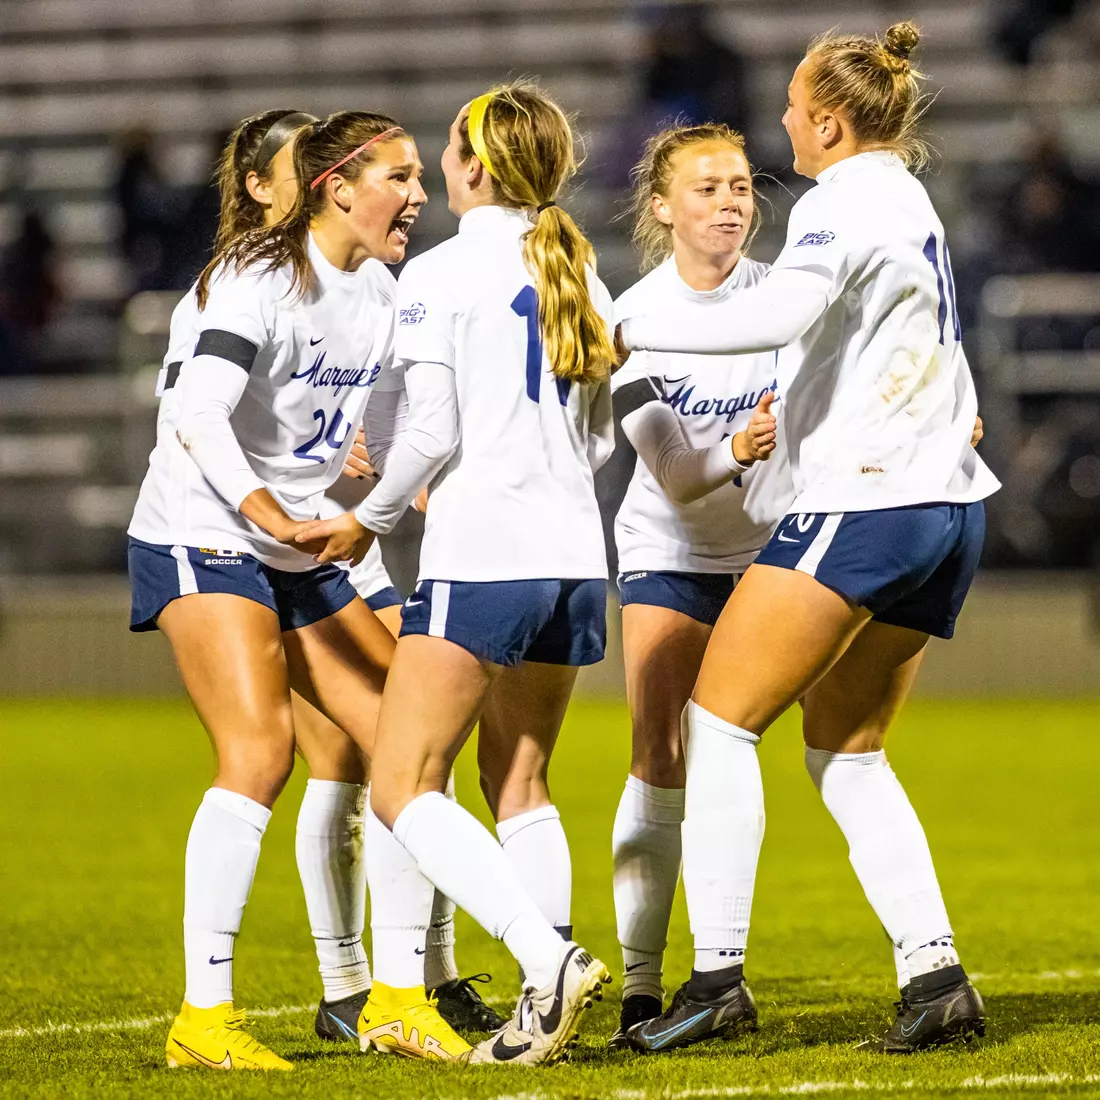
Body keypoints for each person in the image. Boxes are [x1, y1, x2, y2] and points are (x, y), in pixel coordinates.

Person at [619, 22, 1000, 1054]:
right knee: (845, 746)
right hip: (946, 506)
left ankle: (716, 978)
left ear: (827, 123)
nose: (783, 120)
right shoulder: (907, 197)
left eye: (793, 107)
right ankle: (933, 976)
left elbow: (777, 313)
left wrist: (621, 329)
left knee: (718, 721)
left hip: (868, 500)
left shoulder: (843, 199)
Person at [126, 110, 456, 1071]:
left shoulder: (384, 288)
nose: (419, 192)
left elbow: (389, 415)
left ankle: (394, 996)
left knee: (406, 738)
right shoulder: (254, 278)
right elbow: (197, 412)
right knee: (261, 748)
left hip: (300, 543)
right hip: (207, 530)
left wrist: (394, 474)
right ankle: (206, 1018)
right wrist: (266, 507)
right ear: (336, 187)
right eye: (400, 174)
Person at [296, 82, 615, 1066]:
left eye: (445, 149)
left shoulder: (437, 274)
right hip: (573, 558)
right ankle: (540, 1009)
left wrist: (369, 516)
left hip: (486, 555)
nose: (438, 165)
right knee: (519, 781)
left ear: (476, 165)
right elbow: (598, 440)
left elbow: (429, 430)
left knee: (399, 782)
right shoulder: (578, 270)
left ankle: (544, 959)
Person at [606, 122, 792, 1049]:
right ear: (662, 208)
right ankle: (644, 986)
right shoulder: (633, 321)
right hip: (671, 552)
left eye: (741, 186)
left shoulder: (787, 297)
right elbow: (678, 475)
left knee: (826, 749)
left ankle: (720, 970)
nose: (730, 202)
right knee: (659, 752)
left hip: (773, 556)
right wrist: (744, 447)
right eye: (708, 187)